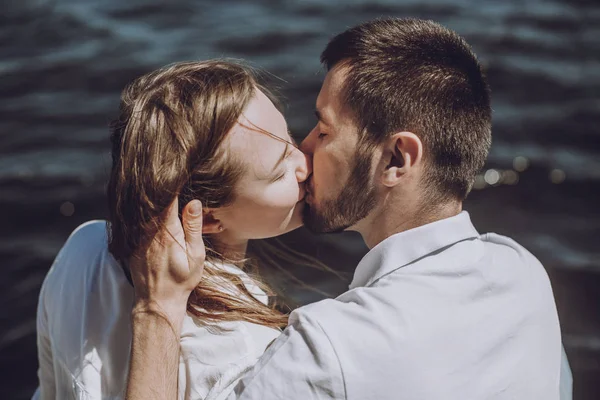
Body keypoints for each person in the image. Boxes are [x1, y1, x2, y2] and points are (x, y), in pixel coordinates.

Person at [126, 18, 570, 399]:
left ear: (396, 160)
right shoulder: (525, 275)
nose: (303, 148)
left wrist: (157, 311)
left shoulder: (326, 351)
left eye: (323, 130)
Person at [32, 60, 315, 399]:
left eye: (290, 140)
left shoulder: (82, 247)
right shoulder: (242, 351)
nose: (304, 164)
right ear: (207, 219)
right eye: (279, 171)